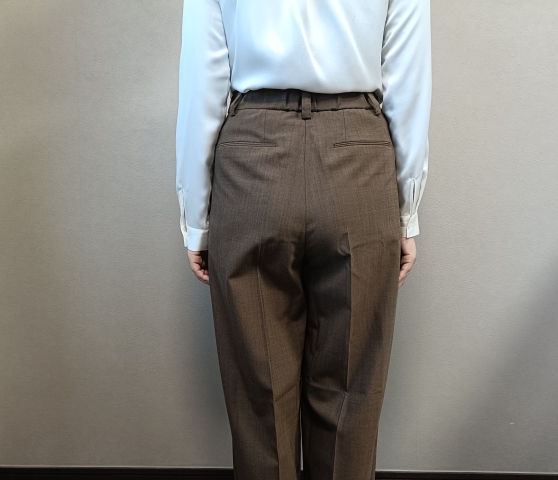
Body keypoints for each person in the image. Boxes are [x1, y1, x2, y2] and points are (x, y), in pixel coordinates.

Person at [175, 0, 432, 478]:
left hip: (254, 156)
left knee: (260, 394)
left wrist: (197, 218)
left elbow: (203, 77)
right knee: (350, 395)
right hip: (358, 155)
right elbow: (408, 77)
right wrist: (406, 211)